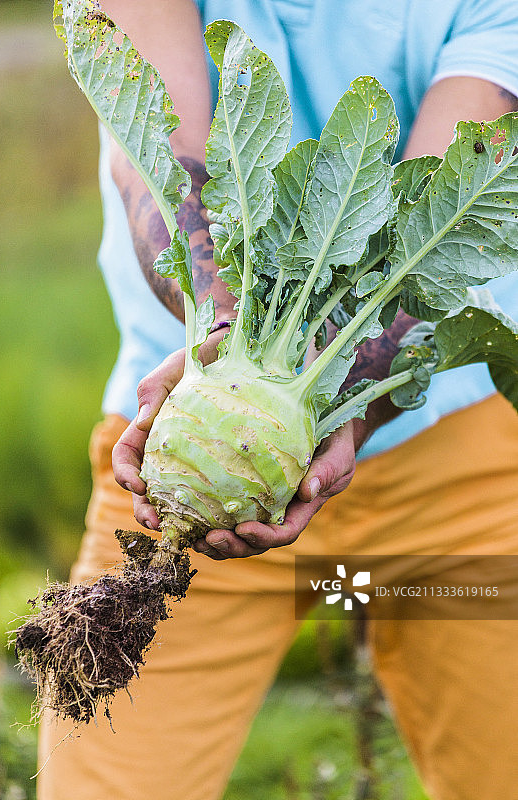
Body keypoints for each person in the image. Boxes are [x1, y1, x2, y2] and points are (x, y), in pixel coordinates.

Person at [38, 2, 518, 798]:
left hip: (451, 474)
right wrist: (222, 336)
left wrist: (340, 404)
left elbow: (445, 201)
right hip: (181, 479)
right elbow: (160, 154)